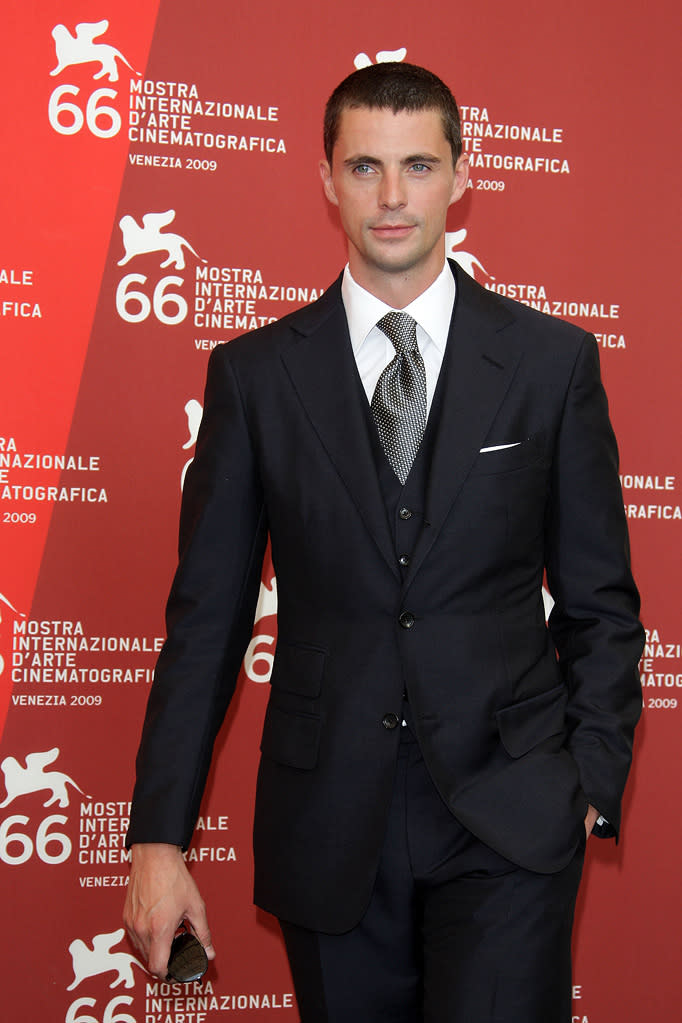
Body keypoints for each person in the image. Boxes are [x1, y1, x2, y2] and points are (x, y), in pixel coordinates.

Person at [124, 62, 644, 1022]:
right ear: (326, 180)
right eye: (365, 167)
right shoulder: (255, 378)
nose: (393, 197)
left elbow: (601, 605)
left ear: (461, 174)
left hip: (512, 816)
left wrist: (586, 782)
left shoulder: (549, 363)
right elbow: (205, 623)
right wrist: (158, 838)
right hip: (331, 824)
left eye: (418, 165)